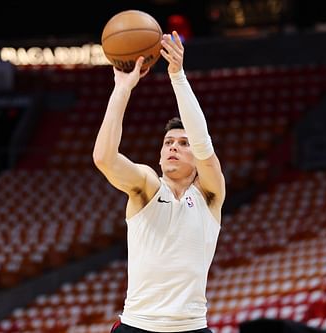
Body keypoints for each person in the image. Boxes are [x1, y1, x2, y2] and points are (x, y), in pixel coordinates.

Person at [93, 31, 225, 333]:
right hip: (138, 326)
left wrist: (177, 76)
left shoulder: (210, 195)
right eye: (168, 142)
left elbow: (205, 148)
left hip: (192, 327)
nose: (173, 147)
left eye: (183, 142)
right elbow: (104, 158)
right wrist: (122, 89)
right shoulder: (148, 186)